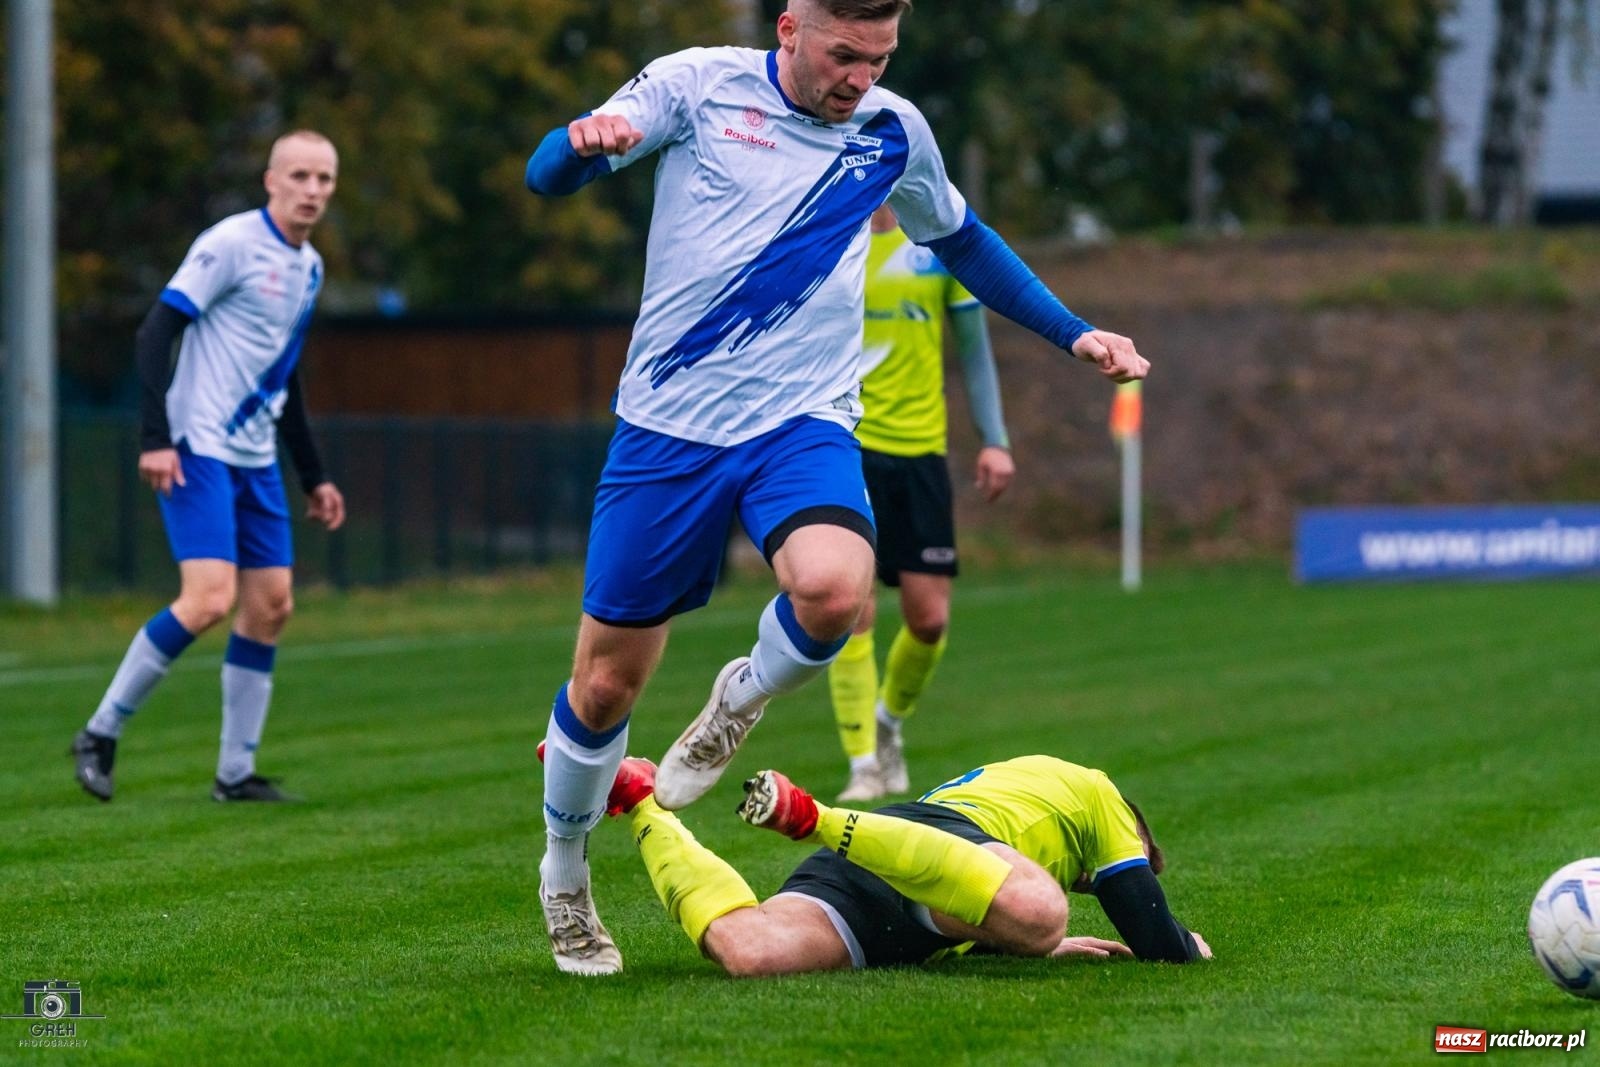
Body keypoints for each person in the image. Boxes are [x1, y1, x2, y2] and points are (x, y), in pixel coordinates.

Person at [524, 0, 1148, 976]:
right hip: (669, 431)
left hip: (800, 427)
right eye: (844, 55)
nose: (859, 78)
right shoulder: (695, 86)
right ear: (788, 29)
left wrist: (1075, 331)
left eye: (880, 56)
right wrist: (578, 142)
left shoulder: (893, 130)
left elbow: (967, 241)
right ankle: (565, 872)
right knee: (603, 685)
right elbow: (546, 177)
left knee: (834, 590)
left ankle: (742, 693)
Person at [70, 130, 346, 804]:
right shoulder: (229, 244)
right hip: (197, 445)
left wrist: (313, 474)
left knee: (272, 606)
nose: (313, 190)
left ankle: (234, 773)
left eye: (325, 180)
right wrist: (154, 436)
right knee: (208, 599)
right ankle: (99, 731)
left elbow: (284, 378)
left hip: (254, 460)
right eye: (301, 176)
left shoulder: (309, 269)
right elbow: (154, 331)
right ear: (271, 180)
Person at [543, 744, 1211, 974]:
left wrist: (1027, 948)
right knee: (1042, 911)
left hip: (898, 870)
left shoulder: (1033, 810)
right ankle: (812, 816)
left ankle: (642, 802)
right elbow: (1150, 932)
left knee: (752, 954)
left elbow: (972, 909)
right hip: (929, 837)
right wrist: (1188, 945)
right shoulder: (1099, 796)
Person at [829, 202, 1014, 803]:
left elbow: (974, 349)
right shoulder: (833, 242)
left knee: (929, 620)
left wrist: (994, 440)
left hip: (921, 454)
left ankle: (887, 726)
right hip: (847, 445)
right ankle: (861, 762)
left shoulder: (938, 248)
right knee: (851, 608)